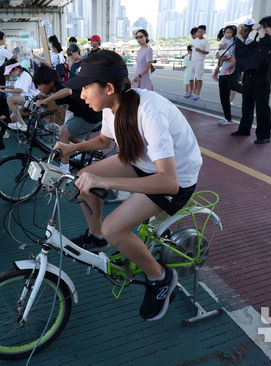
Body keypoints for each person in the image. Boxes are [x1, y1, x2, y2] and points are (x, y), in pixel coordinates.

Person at [54, 50, 202, 321]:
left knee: (115, 228)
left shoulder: (150, 111)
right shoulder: (113, 105)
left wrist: (104, 180)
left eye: (86, 88)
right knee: (83, 178)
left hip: (175, 180)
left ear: (108, 88)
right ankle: (96, 236)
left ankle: (159, 276)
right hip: (140, 163)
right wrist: (70, 148)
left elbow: (169, 182)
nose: (82, 95)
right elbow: (104, 141)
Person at [33, 64, 102, 173]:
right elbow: (61, 96)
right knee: (65, 135)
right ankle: (91, 149)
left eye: (39, 85)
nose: (38, 88)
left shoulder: (62, 87)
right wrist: (45, 97)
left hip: (91, 116)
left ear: (50, 82)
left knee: (63, 132)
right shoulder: (56, 90)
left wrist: (45, 100)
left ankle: (65, 170)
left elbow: (67, 92)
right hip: (85, 115)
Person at [230, 16, 271, 144]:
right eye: (261, 27)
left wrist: (259, 29)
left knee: (262, 108)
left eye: (265, 27)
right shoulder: (256, 43)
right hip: (249, 78)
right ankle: (244, 129)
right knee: (246, 105)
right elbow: (242, 51)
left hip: (262, 80)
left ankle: (264, 135)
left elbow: (269, 43)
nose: (262, 30)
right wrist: (239, 34)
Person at [0, 59, 39, 130]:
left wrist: (4, 91)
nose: (9, 74)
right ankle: (24, 132)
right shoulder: (21, 75)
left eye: (10, 72)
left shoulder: (25, 76)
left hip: (33, 101)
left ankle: (22, 124)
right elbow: (15, 86)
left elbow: (20, 90)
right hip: (29, 99)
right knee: (13, 117)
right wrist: (3, 87)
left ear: (16, 69)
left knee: (10, 100)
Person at [215, 25, 241, 125]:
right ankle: (228, 118)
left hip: (233, 70)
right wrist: (220, 57)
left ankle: (249, 92)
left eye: (230, 32)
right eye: (226, 32)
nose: (228, 34)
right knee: (223, 96)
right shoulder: (223, 40)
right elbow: (219, 53)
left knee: (232, 85)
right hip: (223, 71)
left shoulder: (237, 40)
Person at [190, 26, 210, 100]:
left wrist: (200, 50)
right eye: (198, 31)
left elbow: (207, 51)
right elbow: (191, 48)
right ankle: (193, 92)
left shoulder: (205, 41)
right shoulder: (195, 40)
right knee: (192, 77)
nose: (199, 33)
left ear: (204, 32)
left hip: (200, 61)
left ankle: (198, 93)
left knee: (199, 78)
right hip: (193, 60)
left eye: (201, 32)